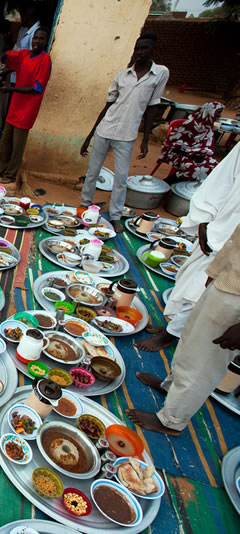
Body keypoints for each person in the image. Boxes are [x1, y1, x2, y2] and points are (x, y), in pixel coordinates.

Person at [127, 222, 240, 436]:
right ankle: (171, 387)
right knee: (190, 341)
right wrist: (217, 270)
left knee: (205, 362)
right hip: (228, 281)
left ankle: (171, 421)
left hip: (236, 302)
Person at [135, 143, 240, 353]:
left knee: (198, 292)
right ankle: (172, 328)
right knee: (190, 280)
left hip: (231, 244)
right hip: (219, 226)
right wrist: (204, 219)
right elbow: (222, 181)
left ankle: (170, 335)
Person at [80, 33, 169, 233]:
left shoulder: (160, 74)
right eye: (137, 49)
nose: (139, 53)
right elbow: (107, 106)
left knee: (121, 178)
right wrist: (90, 136)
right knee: (92, 172)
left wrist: (146, 139)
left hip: (127, 134)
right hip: (106, 129)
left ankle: (115, 216)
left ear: (152, 51)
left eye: (144, 49)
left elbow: (152, 107)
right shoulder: (122, 75)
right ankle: (84, 206)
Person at [0, 27, 52, 185]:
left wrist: (11, 89)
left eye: (41, 39)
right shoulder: (25, 54)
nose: (37, 41)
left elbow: (37, 88)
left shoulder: (45, 61)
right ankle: (0, 168)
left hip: (27, 110)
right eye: (35, 38)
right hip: (15, 106)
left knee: (17, 146)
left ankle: (11, 174)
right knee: (6, 141)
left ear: (46, 41)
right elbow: (9, 55)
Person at [156, 101, 224, 184]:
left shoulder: (208, 127)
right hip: (177, 154)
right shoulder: (190, 124)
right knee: (193, 169)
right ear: (210, 111)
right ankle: (169, 183)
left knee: (214, 168)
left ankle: (191, 188)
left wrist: (200, 153)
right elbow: (175, 145)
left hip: (197, 155)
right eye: (218, 112)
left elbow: (207, 147)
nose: (219, 115)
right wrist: (193, 152)